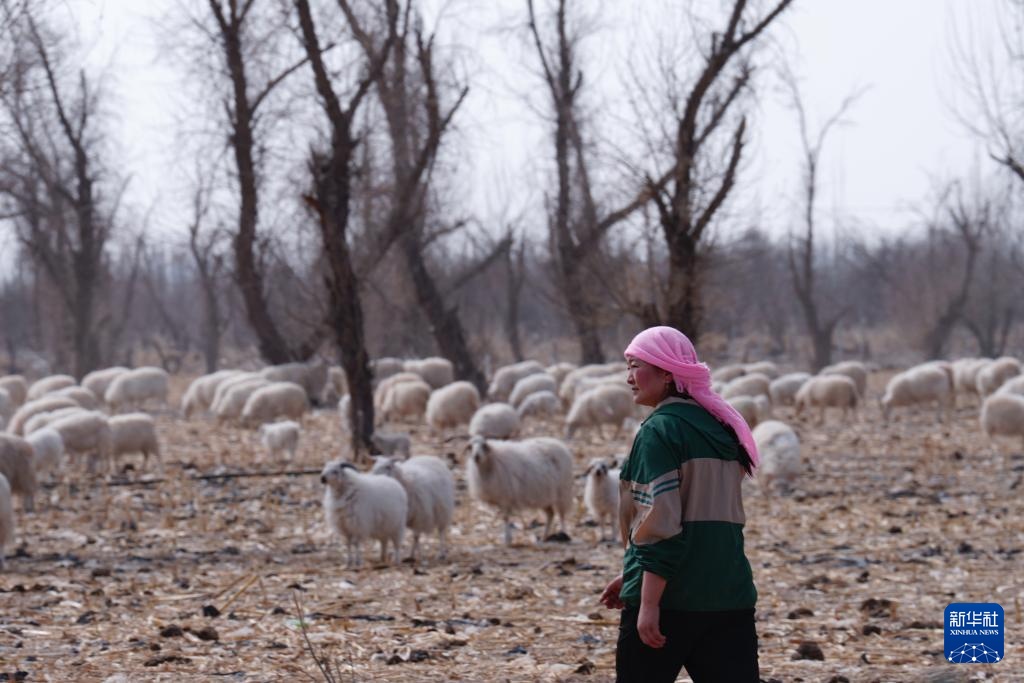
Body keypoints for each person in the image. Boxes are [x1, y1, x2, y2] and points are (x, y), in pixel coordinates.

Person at [599, 326, 760, 682]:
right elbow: (701, 519)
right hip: (729, 596)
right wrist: (631, 574)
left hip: (672, 601)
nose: (628, 378)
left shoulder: (659, 431)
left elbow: (661, 525)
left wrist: (649, 603)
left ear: (667, 373)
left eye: (635, 365)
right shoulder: (722, 428)